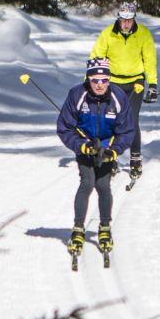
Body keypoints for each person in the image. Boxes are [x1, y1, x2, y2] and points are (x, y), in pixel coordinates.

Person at [57, 58, 135, 254]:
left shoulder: (118, 97)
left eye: (104, 80)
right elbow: (64, 128)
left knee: (103, 185)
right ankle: (78, 227)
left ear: (109, 79)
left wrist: (114, 151)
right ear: (88, 79)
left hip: (107, 148)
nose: (100, 85)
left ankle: (105, 226)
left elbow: (127, 131)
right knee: (87, 182)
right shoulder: (77, 95)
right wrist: (82, 147)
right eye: (95, 80)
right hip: (86, 146)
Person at [89, 1, 157, 180]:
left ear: (134, 19)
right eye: (123, 20)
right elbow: (97, 57)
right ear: (118, 19)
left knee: (131, 120)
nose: (126, 24)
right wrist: (90, 81)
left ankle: (135, 158)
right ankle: (112, 157)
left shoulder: (143, 34)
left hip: (136, 82)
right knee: (112, 120)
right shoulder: (108, 34)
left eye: (129, 20)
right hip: (114, 82)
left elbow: (149, 59)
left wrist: (153, 85)